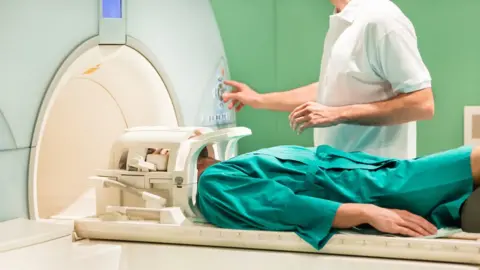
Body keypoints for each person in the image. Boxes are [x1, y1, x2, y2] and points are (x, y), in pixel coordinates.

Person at [222, 0, 434, 159]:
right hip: (341, 173)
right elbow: (330, 89)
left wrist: (337, 114)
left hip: (376, 177)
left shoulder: (383, 20)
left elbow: (422, 104)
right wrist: (258, 99)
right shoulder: (343, 21)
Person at [193, 144, 478, 250]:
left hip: (369, 175)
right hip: (369, 188)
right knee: (468, 160)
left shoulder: (235, 165)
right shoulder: (212, 183)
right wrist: (366, 212)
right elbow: (282, 206)